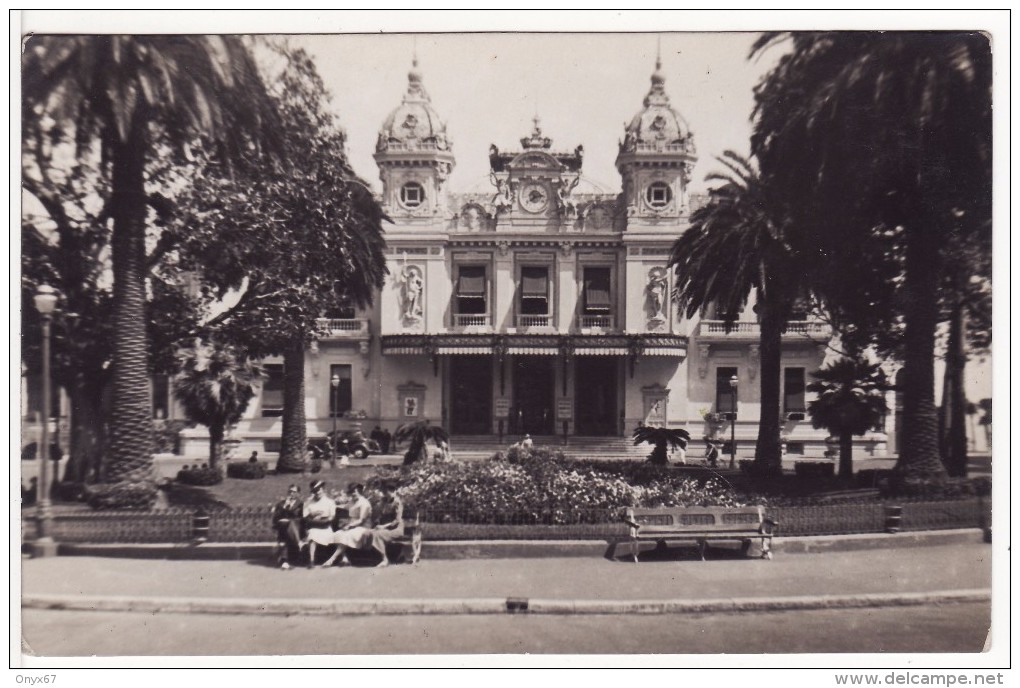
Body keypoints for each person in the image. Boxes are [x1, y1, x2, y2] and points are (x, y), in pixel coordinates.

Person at [320, 483, 374, 568]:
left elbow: (361, 520)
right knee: (337, 534)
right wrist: (330, 506)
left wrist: (349, 526)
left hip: (363, 527)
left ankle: (331, 559)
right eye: (351, 492)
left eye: (354, 492)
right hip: (352, 527)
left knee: (346, 535)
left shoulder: (364, 503)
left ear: (359, 492)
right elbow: (343, 507)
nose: (352, 494)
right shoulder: (352, 502)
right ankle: (344, 559)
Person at [301, 480, 338, 568]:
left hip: (326, 528)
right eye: (314, 491)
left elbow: (331, 518)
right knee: (312, 535)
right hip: (313, 527)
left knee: (327, 535)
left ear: (323, 490)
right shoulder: (308, 503)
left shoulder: (330, 502)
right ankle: (311, 561)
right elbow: (306, 518)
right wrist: (314, 516)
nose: (317, 493)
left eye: (319, 490)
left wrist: (319, 518)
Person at [370, 481, 404, 567]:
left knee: (377, 534)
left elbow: (397, 520)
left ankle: (384, 559)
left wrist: (383, 526)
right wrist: (377, 522)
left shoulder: (397, 502)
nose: (385, 494)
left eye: (388, 492)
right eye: (385, 492)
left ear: (394, 491)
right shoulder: (384, 501)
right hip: (385, 528)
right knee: (369, 533)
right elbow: (380, 514)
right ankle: (373, 557)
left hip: (396, 529)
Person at [272, 484, 304, 570]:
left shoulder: (301, 504)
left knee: (290, 523)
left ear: (298, 494)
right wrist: (285, 506)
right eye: (290, 491)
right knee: (285, 528)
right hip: (283, 527)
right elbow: (276, 517)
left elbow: (302, 518)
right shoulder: (281, 504)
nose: (291, 494)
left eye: (294, 492)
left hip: (297, 528)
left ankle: (284, 561)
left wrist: (290, 521)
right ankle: (299, 543)